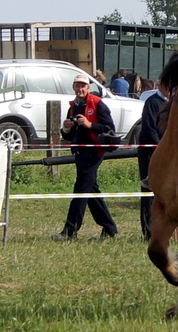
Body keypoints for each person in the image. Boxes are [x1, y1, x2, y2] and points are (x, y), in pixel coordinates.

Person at [53, 74, 118, 241]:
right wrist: (66, 128)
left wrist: (89, 125)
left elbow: (110, 129)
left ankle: (70, 231)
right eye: (77, 85)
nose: (80, 89)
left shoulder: (97, 103)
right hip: (80, 152)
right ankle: (110, 229)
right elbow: (68, 136)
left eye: (83, 86)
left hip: (94, 152)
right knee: (90, 190)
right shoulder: (72, 107)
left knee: (81, 190)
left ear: (88, 88)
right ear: (73, 87)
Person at [137, 82, 171, 241]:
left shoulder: (175, 102)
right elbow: (149, 129)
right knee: (149, 193)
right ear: (160, 86)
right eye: (167, 85)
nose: (171, 89)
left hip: (169, 153)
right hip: (151, 153)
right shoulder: (152, 102)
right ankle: (149, 232)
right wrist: (161, 149)